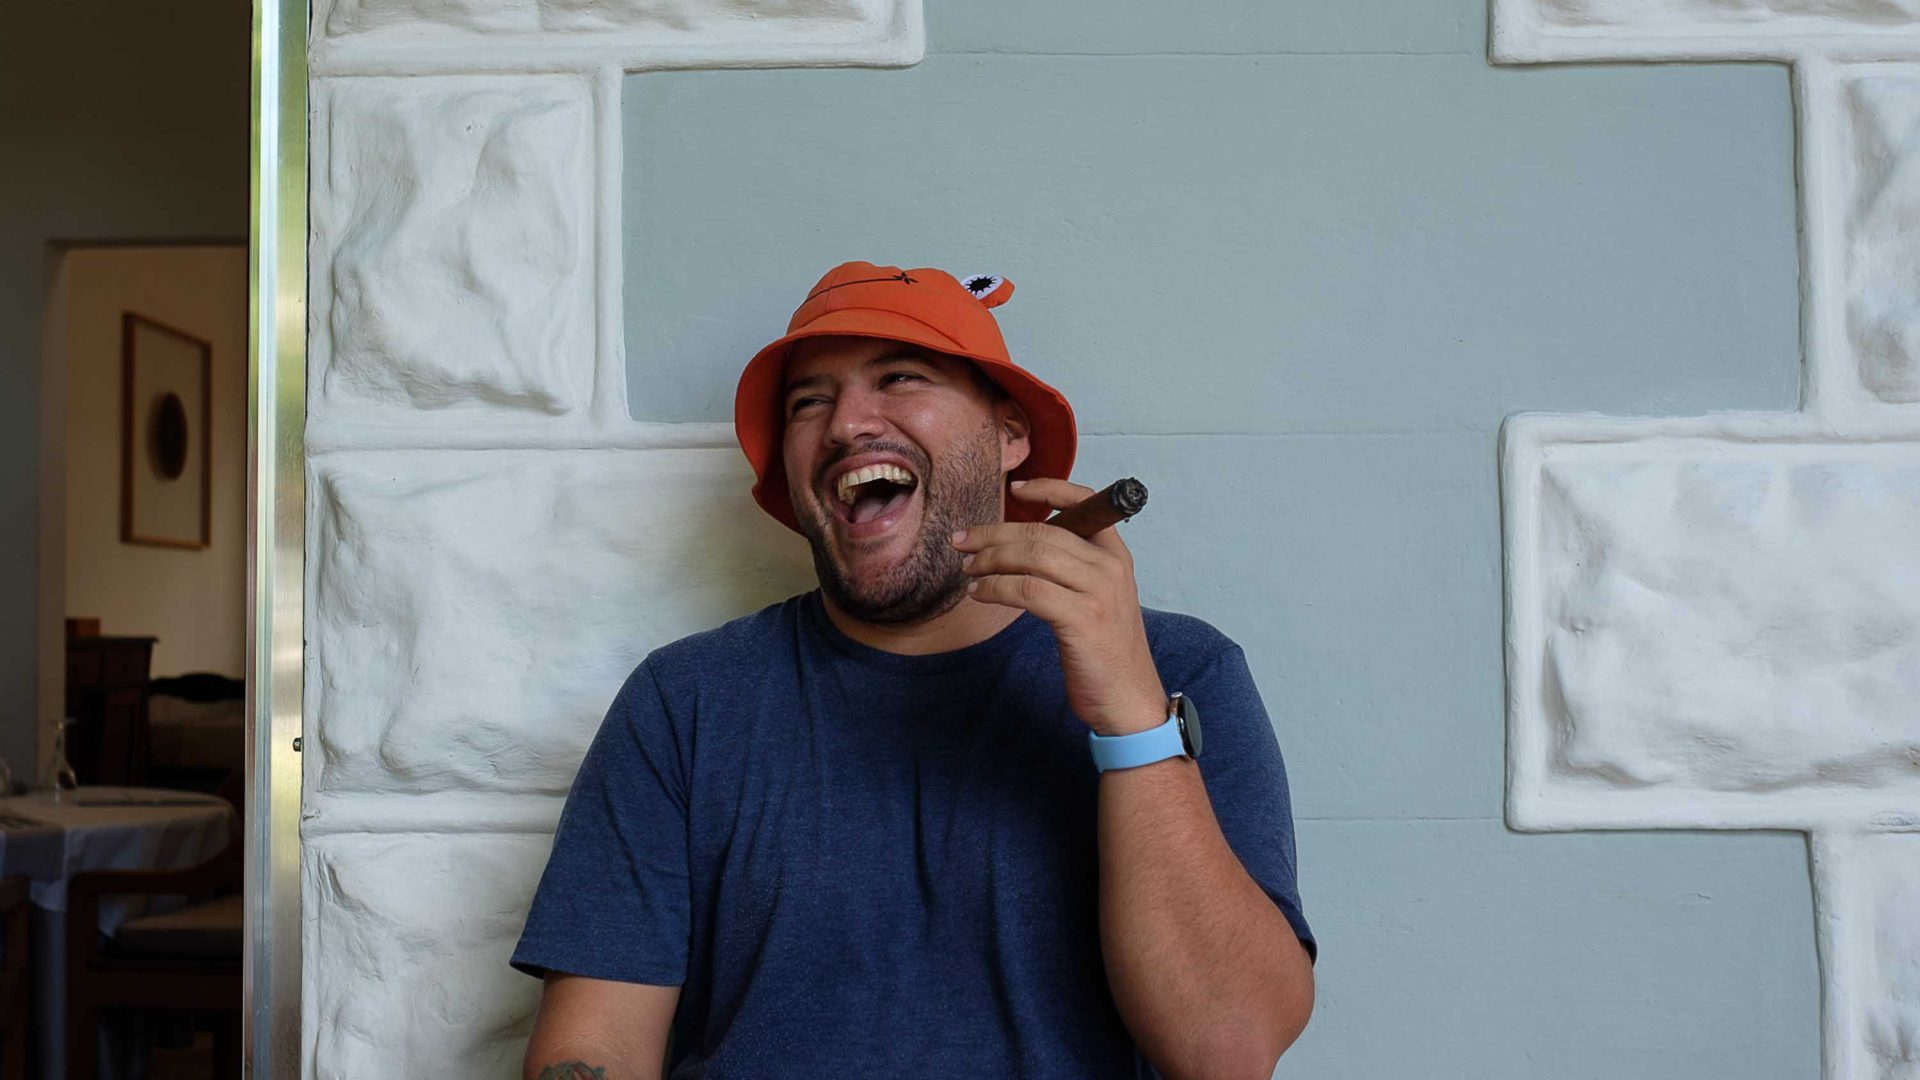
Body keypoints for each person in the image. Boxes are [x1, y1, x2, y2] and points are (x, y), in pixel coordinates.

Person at [511, 261, 1317, 1080]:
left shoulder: (1182, 670)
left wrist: (1135, 722)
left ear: (1009, 436)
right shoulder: (686, 701)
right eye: (808, 401)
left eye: (899, 378)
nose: (845, 424)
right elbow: (593, 1049)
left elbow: (1230, 1050)